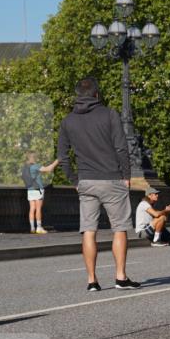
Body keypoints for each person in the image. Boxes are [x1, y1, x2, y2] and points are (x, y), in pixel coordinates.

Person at [57, 77, 139, 292]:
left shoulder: (68, 121)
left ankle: (92, 280)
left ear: (77, 95)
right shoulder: (109, 114)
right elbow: (121, 148)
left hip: (86, 180)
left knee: (89, 231)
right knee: (119, 229)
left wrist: (73, 179)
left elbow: (63, 156)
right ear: (96, 94)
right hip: (112, 178)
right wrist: (126, 175)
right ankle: (120, 277)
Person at [22, 151, 58, 234]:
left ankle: (32, 228)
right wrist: (57, 160)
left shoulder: (25, 167)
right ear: (34, 157)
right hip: (38, 189)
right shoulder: (36, 166)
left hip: (30, 189)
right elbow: (49, 169)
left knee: (32, 209)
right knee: (38, 209)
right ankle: (39, 227)